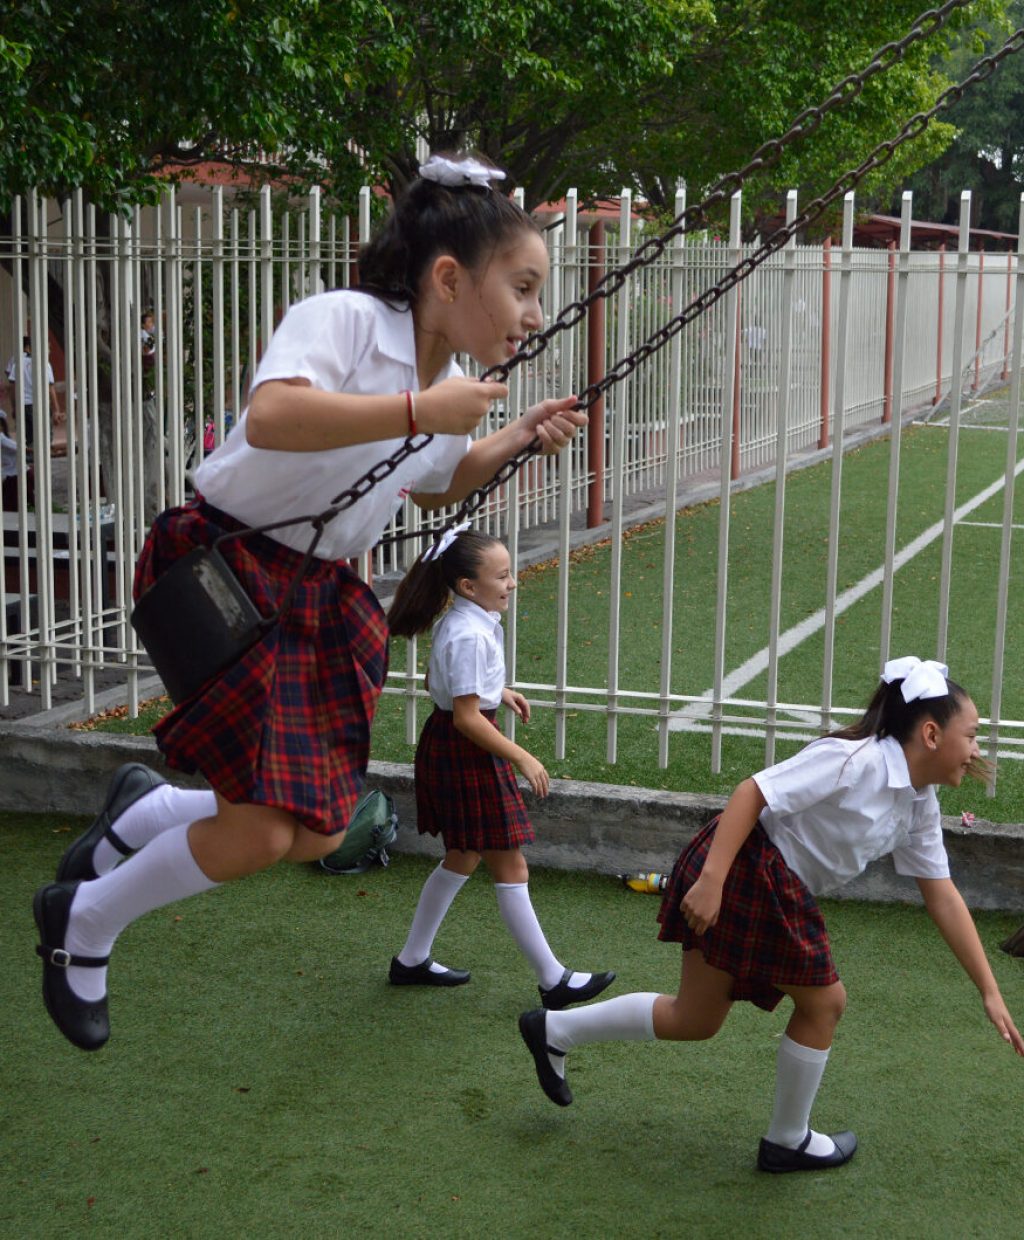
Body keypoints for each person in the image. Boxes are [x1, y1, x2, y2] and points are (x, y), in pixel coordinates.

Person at [33, 151, 587, 1052]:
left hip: (319, 596)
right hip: (226, 568)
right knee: (257, 831)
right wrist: (420, 409)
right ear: (448, 277)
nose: (534, 314)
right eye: (522, 287)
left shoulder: (439, 377)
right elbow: (274, 418)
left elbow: (438, 483)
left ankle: (141, 812)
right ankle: (81, 924)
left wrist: (515, 431)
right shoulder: (350, 324)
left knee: (322, 833)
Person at [518, 657, 1024, 1172]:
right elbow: (752, 792)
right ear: (933, 734)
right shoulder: (855, 761)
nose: (978, 750)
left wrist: (988, 989)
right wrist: (712, 880)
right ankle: (788, 1140)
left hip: (770, 884)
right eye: (973, 735)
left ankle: (553, 1030)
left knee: (694, 1018)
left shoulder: (920, 803)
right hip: (748, 869)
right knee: (825, 1002)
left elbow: (942, 895)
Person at [385, 525, 615, 1006]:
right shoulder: (469, 632)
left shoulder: (467, 620)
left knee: (463, 855)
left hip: (451, 745)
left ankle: (410, 961)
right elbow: (468, 718)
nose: (513, 583)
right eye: (503, 576)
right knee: (509, 862)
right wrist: (523, 756)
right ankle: (554, 980)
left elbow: (441, 685)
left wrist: (499, 693)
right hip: (465, 750)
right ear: (469, 586)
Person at [4, 336, 61, 452]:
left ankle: (32, 464)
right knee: (45, 438)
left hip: (24, 406)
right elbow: (50, 388)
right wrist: (56, 410)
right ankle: (41, 462)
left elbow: (12, 388)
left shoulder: (17, 362)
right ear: (30, 348)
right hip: (41, 405)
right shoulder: (44, 363)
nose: (48, 351)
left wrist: (15, 407)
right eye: (47, 348)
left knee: (29, 438)